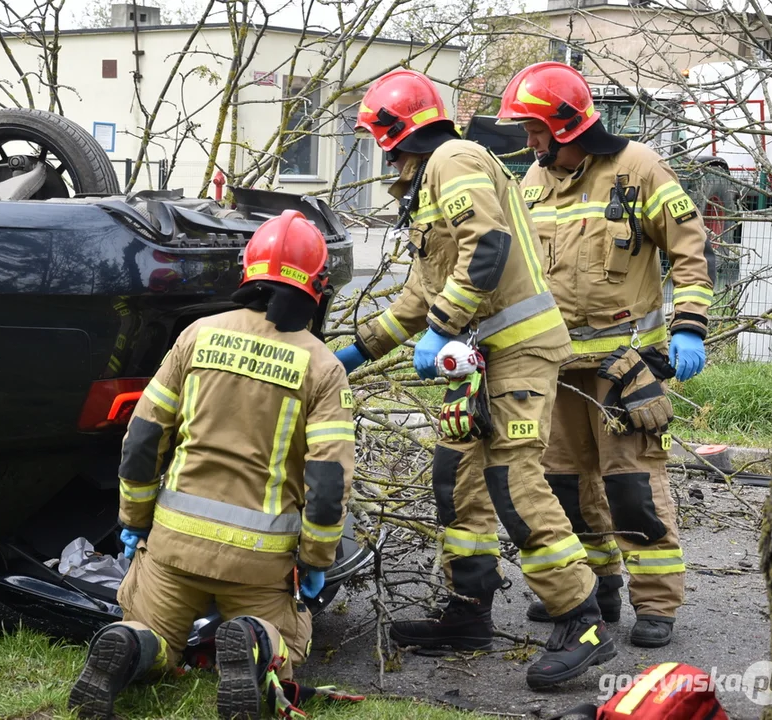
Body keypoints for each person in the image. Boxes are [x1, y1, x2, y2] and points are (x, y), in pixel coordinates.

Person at [339, 67, 616, 690]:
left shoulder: (454, 157)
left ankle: (582, 618)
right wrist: (354, 353)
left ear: (391, 132)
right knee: (458, 475)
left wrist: (442, 326)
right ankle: (470, 610)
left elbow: (486, 246)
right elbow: (419, 292)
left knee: (513, 476)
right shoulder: (428, 180)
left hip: (518, 351)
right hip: (479, 358)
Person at [67, 209, 362, 719]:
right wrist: (316, 557)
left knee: (153, 633)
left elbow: (142, 437)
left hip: (173, 546)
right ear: (316, 284)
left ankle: (128, 646)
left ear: (249, 270)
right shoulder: (322, 366)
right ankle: (250, 640)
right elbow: (329, 478)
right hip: (258, 560)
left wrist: (134, 522)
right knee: (285, 644)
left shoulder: (198, 335)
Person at [494, 61, 715, 648]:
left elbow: (691, 250)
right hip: (557, 370)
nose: (529, 142)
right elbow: (511, 271)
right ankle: (599, 589)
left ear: (567, 127)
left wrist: (689, 326)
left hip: (627, 370)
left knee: (632, 488)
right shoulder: (532, 185)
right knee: (566, 487)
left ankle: (657, 604)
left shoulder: (637, 168)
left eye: (535, 130)